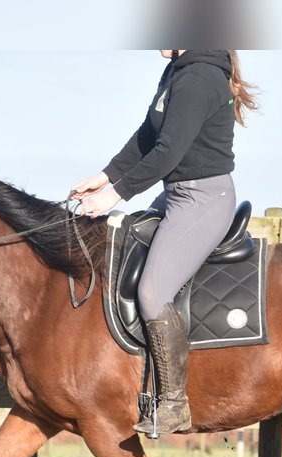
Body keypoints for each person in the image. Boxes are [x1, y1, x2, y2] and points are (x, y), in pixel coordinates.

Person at [71, 49, 259, 436]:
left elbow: (168, 152)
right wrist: (105, 176)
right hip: (176, 195)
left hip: (203, 200)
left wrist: (115, 195)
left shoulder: (197, 77)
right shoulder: (178, 71)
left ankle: (174, 405)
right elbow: (147, 136)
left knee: (154, 292)